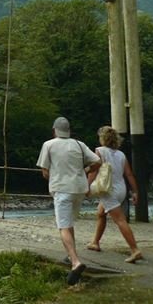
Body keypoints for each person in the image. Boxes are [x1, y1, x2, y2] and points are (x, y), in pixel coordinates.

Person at [36, 116, 101, 285]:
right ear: (69, 130)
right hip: (79, 188)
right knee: (69, 222)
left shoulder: (48, 145)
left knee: (63, 226)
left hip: (62, 189)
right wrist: (84, 170)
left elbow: (45, 171)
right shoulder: (79, 144)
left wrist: (55, 177)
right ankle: (70, 254)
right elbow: (97, 161)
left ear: (54, 131)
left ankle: (75, 262)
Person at [86, 125, 142, 263]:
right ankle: (95, 242)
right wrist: (135, 191)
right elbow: (129, 174)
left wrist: (86, 186)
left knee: (120, 220)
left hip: (107, 190)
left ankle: (135, 250)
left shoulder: (99, 152)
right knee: (100, 213)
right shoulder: (121, 154)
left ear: (102, 138)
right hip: (121, 189)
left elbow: (93, 171)